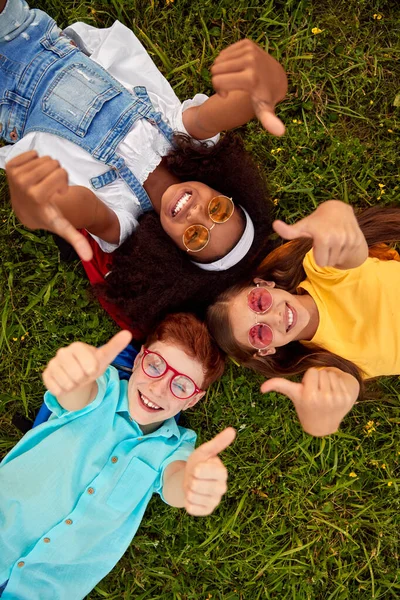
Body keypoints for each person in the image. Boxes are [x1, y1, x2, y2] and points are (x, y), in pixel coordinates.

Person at [0, 0, 288, 336]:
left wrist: (57, 200)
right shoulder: (182, 137)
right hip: (34, 36)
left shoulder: (125, 219)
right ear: (224, 190)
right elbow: (215, 114)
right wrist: (260, 93)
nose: (196, 213)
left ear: (172, 249)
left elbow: (90, 211)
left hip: (10, 106)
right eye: (218, 210)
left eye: (195, 237)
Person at [0, 312, 235, 599]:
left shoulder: (176, 447)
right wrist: (73, 377)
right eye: (155, 365)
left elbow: (176, 481)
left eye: (181, 385)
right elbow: (77, 394)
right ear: (138, 360)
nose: (158, 388)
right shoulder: (104, 389)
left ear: (193, 399)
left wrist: (191, 484)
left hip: (42, 589)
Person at [207, 201, 400, 437]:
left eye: (259, 302)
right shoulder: (326, 364)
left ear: (265, 284)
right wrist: (332, 407)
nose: (273, 317)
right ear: (267, 350)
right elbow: (345, 386)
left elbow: (352, 252)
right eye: (259, 333)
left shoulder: (320, 268)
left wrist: (339, 227)